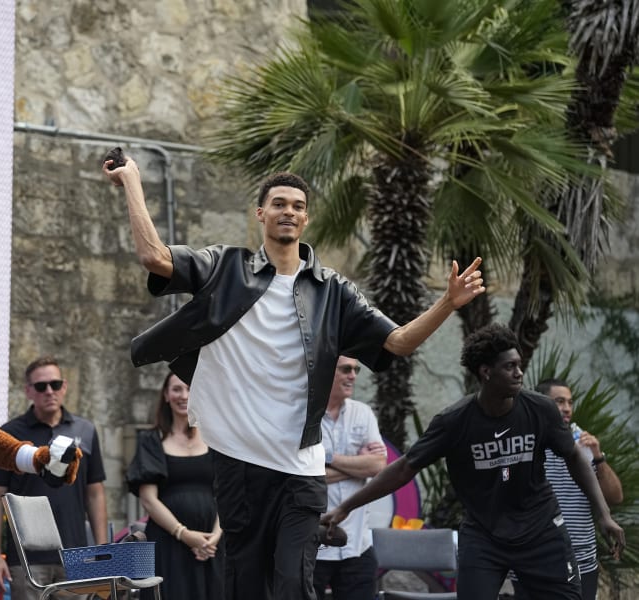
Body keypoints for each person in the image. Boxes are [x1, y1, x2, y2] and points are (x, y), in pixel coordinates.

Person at [103, 158, 485, 600]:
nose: (289, 211)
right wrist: (132, 179)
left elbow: (397, 342)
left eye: (298, 205)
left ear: (306, 218)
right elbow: (154, 257)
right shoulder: (226, 267)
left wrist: (448, 303)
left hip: (300, 469)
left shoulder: (332, 290)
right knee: (244, 585)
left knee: (291, 584)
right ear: (260, 214)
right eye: (278, 203)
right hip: (238, 465)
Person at [321, 323, 627, 600]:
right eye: (510, 367)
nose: (520, 373)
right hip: (484, 538)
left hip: (541, 531)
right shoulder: (454, 422)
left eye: (519, 365)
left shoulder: (540, 409)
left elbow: (574, 455)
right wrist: (345, 507)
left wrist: (603, 515)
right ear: (486, 372)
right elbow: (403, 468)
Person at [0, 356, 107, 599]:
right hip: (26, 558)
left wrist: (102, 552)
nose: (49, 391)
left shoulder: (86, 430)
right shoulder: (9, 434)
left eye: (55, 384)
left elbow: (95, 494)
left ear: (64, 386)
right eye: (41, 386)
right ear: (28, 391)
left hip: (76, 556)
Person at [512, 379, 624, 600]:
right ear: (541, 404)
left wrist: (598, 457)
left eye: (570, 402)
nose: (566, 408)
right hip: (531, 559)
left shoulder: (582, 441)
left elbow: (615, 497)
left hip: (580, 560)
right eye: (559, 401)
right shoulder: (522, 442)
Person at [126, 372, 224, 600]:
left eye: (189, 389)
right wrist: (184, 534)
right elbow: (149, 499)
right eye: (177, 389)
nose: (184, 395)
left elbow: (228, 493)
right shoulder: (152, 440)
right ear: (166, 395)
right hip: (168, 542)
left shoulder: (217, 438)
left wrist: (215, 536)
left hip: (213, 545)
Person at [314, 356, 386, 600]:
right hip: (313, 547)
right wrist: (357, 465)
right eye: (346, 369)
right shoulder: (304, 414)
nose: (353, 375)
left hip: (357, 545)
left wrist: (326, 457)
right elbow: (302, 475)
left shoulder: (363, 413)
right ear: (326, 371)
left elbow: (378, 464)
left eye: (356, 370)